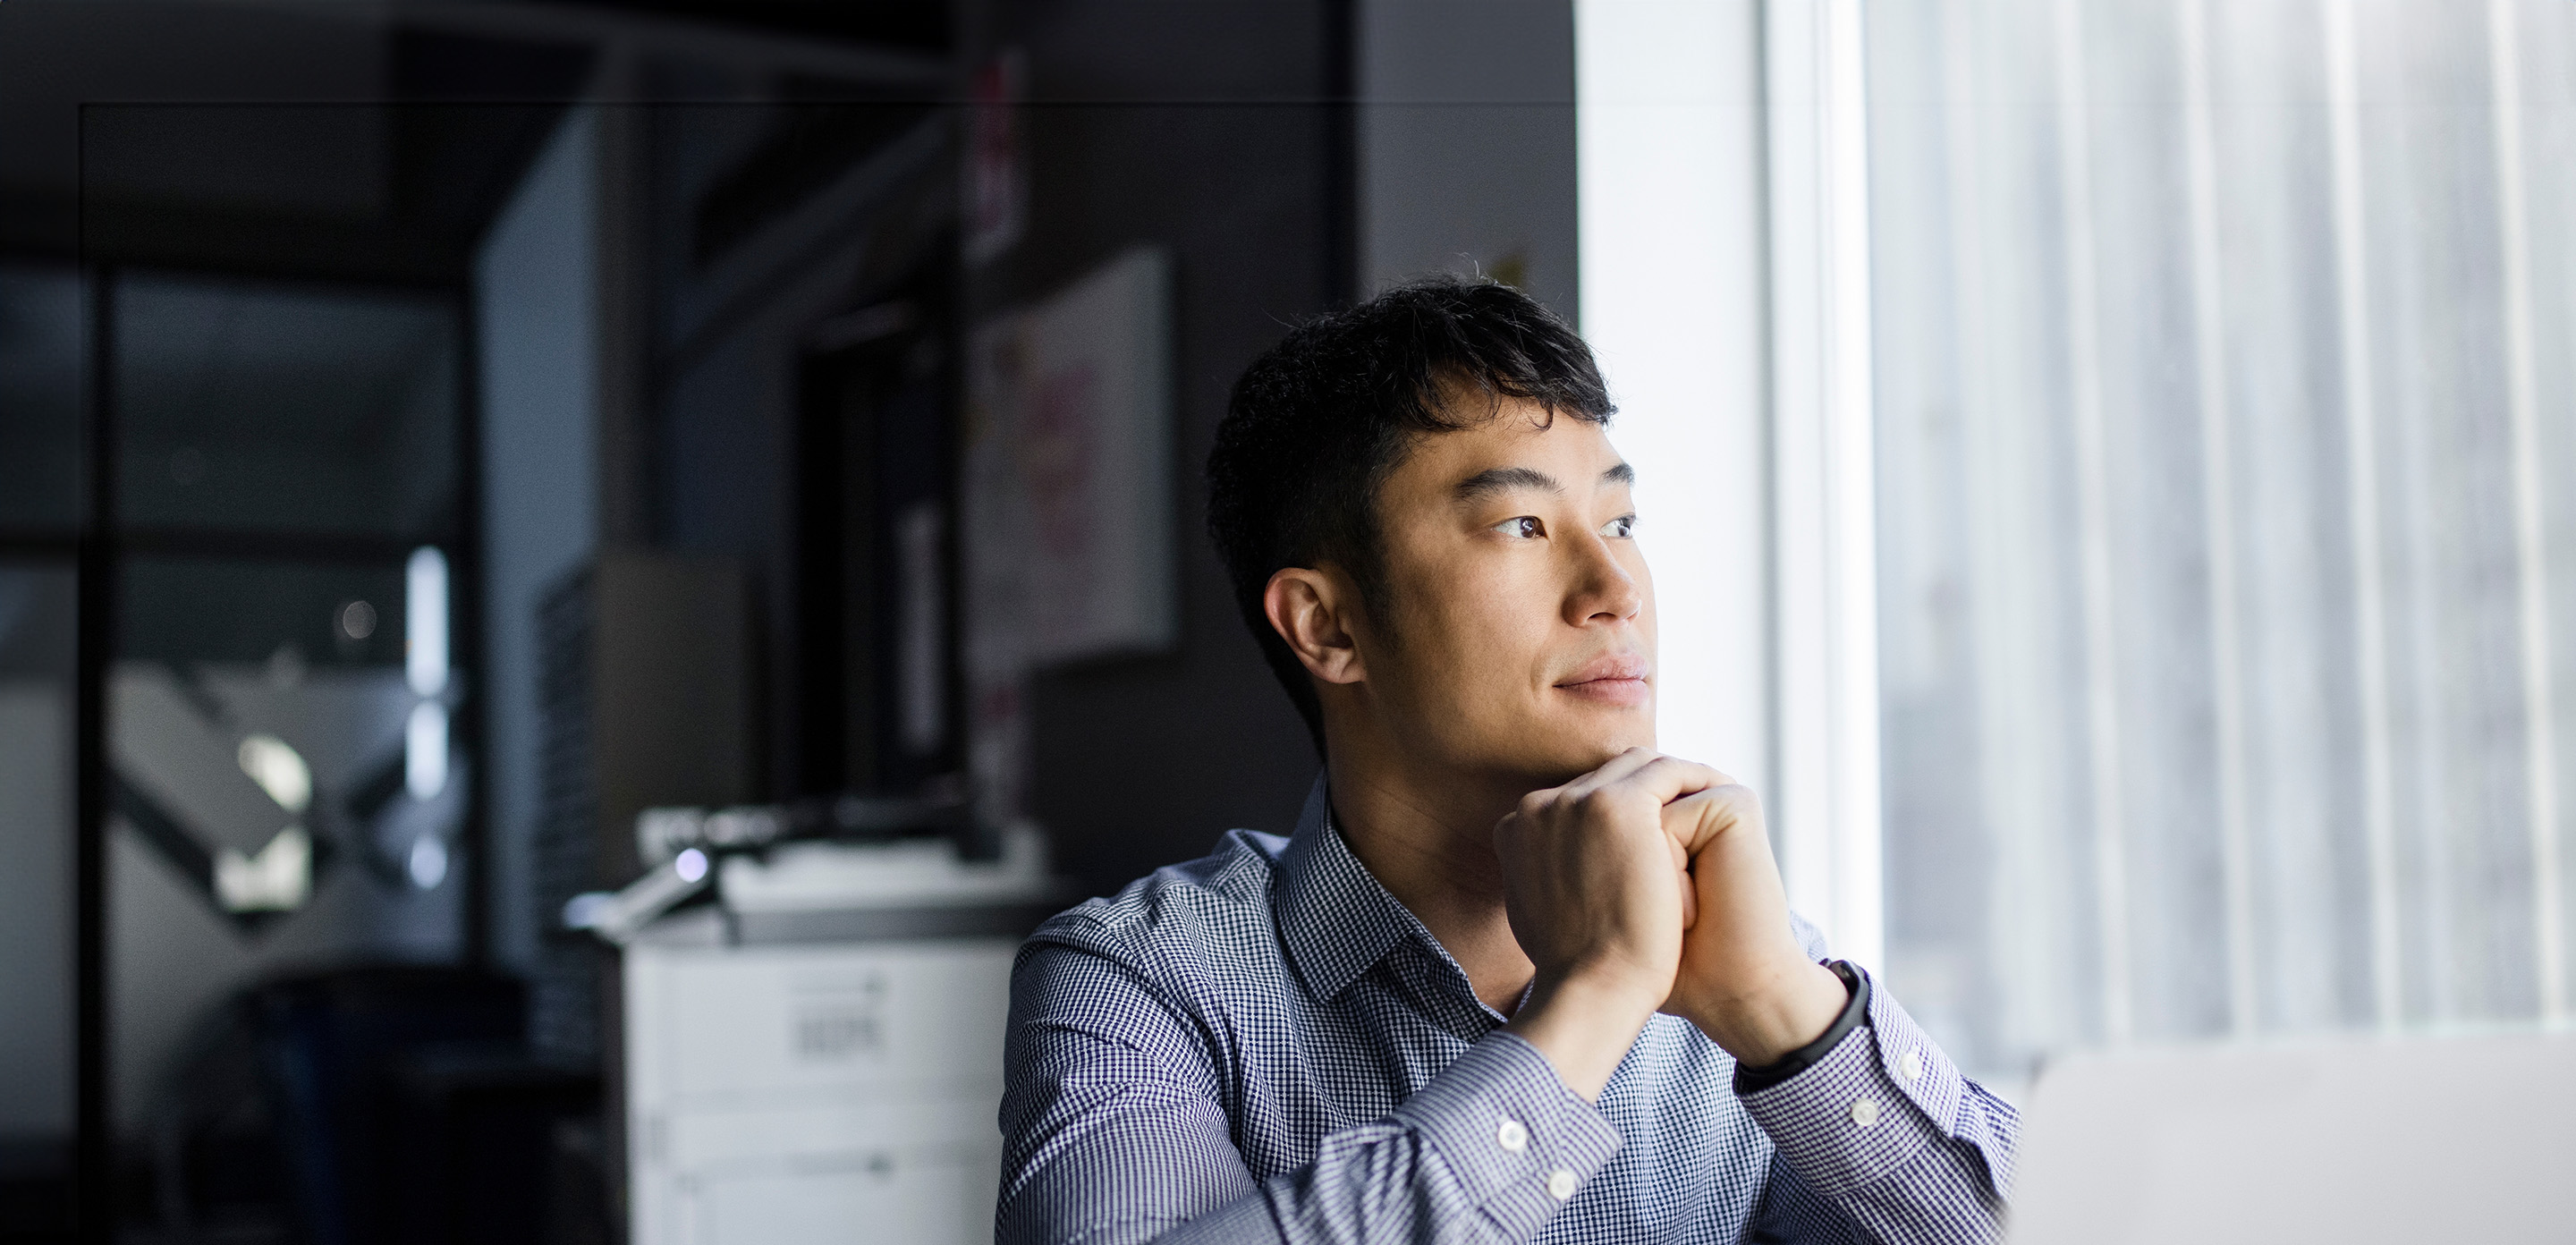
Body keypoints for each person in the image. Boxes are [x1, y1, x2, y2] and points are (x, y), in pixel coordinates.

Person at [996, 276, 2015, 1243]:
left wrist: (1790, 1019)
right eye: (1522, 524)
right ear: (1328, 625)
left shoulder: (1735, 951)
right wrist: (1592, 1003)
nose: (1615, 586)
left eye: (1621, 521)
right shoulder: (1140, 982)